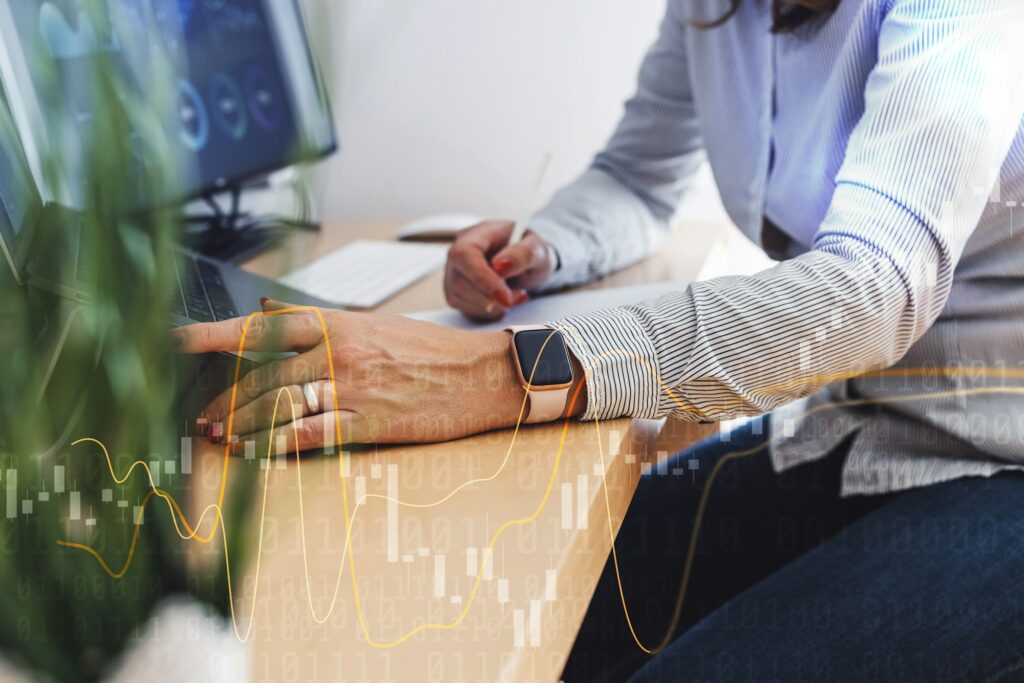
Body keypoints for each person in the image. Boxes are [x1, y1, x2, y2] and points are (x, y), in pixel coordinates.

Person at [175, 0, 1024, 679]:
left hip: (1000, 458)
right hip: (856, 421)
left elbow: (873, 292)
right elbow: (635, 176)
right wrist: (541, 246)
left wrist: (493, 371)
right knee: (512, 605)